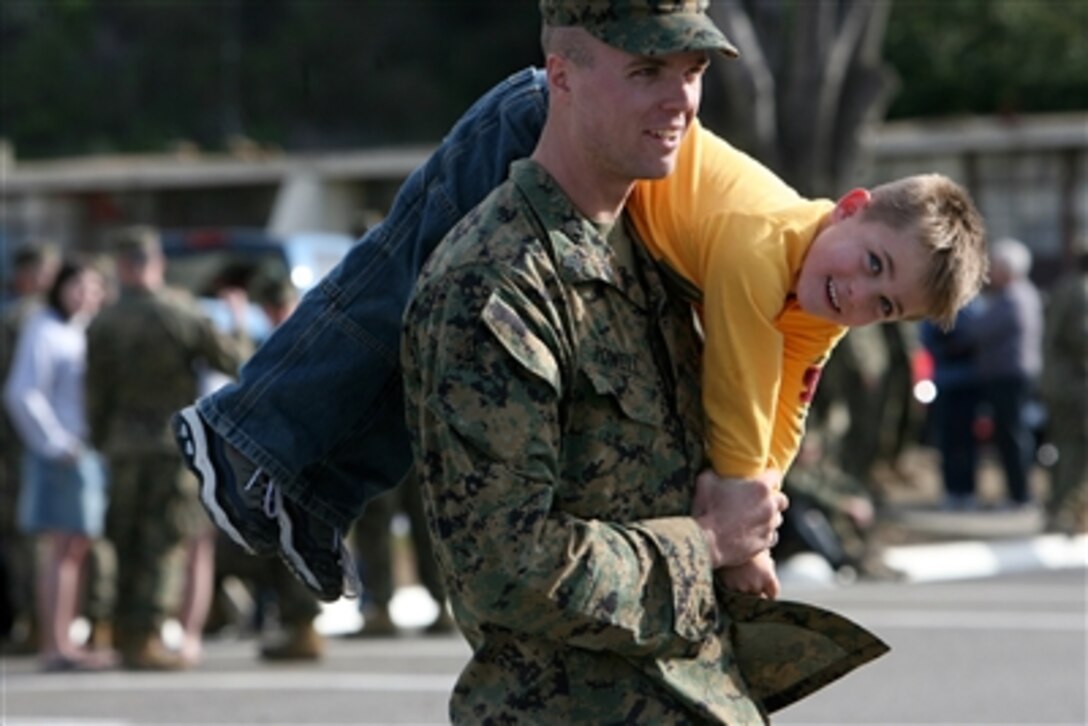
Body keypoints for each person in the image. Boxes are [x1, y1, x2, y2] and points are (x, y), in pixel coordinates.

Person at [400, 3, 895, 721]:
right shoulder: (497, 283)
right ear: (562, 78)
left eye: (692, 71)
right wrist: (709, 543)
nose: (680, 100)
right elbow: (502, 569)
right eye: (646, 71)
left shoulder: (666, 254)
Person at [86, 226, 248, 670]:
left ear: (121, 266)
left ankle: (123, 631)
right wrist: (237, 325)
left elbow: (95, 395)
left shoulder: (103, 321)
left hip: (121, 445)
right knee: (167, 541)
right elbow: (234, 362)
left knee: (125, 539)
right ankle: (150, 635)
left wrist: (101, 439)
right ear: (156, 263)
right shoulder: (182, 312)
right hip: (170, 443)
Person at [3, 256, 115, 671]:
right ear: (60, 288)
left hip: (85, 451)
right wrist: (55, 443)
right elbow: (22, 393)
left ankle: (68, 640)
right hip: (62, 454)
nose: (86, 295)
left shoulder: (82, 329)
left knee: (78, 547)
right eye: (78, 287)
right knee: (61, 550)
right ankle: (54, 644)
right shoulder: (44, 328)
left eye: (94, 288)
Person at [1, 243, 61, 649]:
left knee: (32, 535)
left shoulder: (27, 317)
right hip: (28, 444)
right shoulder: (32, 318)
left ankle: (39, 621)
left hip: (26, 443)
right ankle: (46, 620)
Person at [962, 238, 1044, 507]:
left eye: (995, 266)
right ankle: (1019, 492)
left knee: (1011, 434)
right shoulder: (1027, 293)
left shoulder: (1011, 299)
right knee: (1014, 432)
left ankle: (1018, 493)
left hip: (1008, 375)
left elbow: (977, 330)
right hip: (1017, 373)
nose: (990, 272)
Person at [1040, 237, 1087, 533]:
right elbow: (1082, 337)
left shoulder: (1065, 286)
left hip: (1058, 382)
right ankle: (1065, 512)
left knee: (1062, 445)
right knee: (1077, 448)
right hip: (1075, 385)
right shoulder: (1082, 291)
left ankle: (1058, 507)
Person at [920, 299, 986, 510]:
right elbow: (926, 338)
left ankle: (968, 490)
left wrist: (964, 342)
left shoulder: (976, 307)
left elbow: (982, 334)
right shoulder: (936, 306)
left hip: (970, 382)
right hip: (945, 382)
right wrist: (945, 346)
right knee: (947, 439)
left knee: (968, 441)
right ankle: (951, 490)